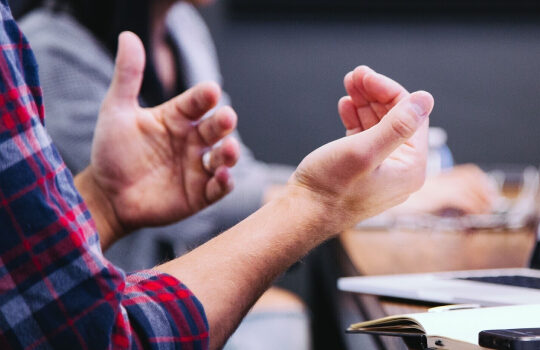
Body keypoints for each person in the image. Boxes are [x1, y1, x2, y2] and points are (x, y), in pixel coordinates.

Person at [0, 0, 435, 347]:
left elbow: (233, 173)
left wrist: (105, 200)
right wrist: (322, 200)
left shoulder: (183, 28)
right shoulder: (50, 48)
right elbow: (94, 335)